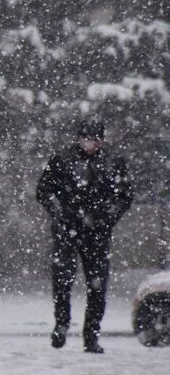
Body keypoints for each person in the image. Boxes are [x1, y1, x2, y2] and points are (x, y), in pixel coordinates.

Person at [36, 118, 133, 353]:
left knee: (97, 285)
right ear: (79, 138)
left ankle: (91, 335)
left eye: (95, 140)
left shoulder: (113, 163)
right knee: (62, 280)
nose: (90, 144)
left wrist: (107, 216)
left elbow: (125, 195)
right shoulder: (63, 160)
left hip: (98, 233)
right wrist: (60, 213)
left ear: (101, 140)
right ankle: (61, 324)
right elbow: (44, 190)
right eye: (86, 139)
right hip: (67, 230)